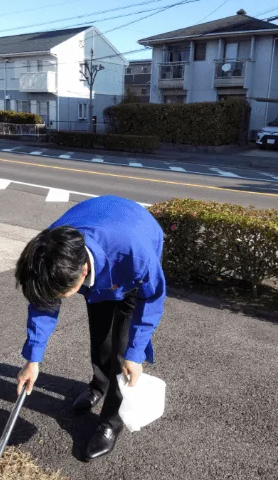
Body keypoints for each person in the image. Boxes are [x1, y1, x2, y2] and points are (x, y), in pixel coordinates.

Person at [15, 195, 167, 461]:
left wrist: (136, 354)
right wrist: (33, 359)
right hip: (101, 250)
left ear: (82, 272)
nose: (56, 301)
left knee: (122, 355)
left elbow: (152, 298)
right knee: (101, 339)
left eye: (61, 294)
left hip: (129, 260)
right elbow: (43, 306)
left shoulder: (134, 254)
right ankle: (99, 385)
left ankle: (111, 422)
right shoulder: (50, 250)